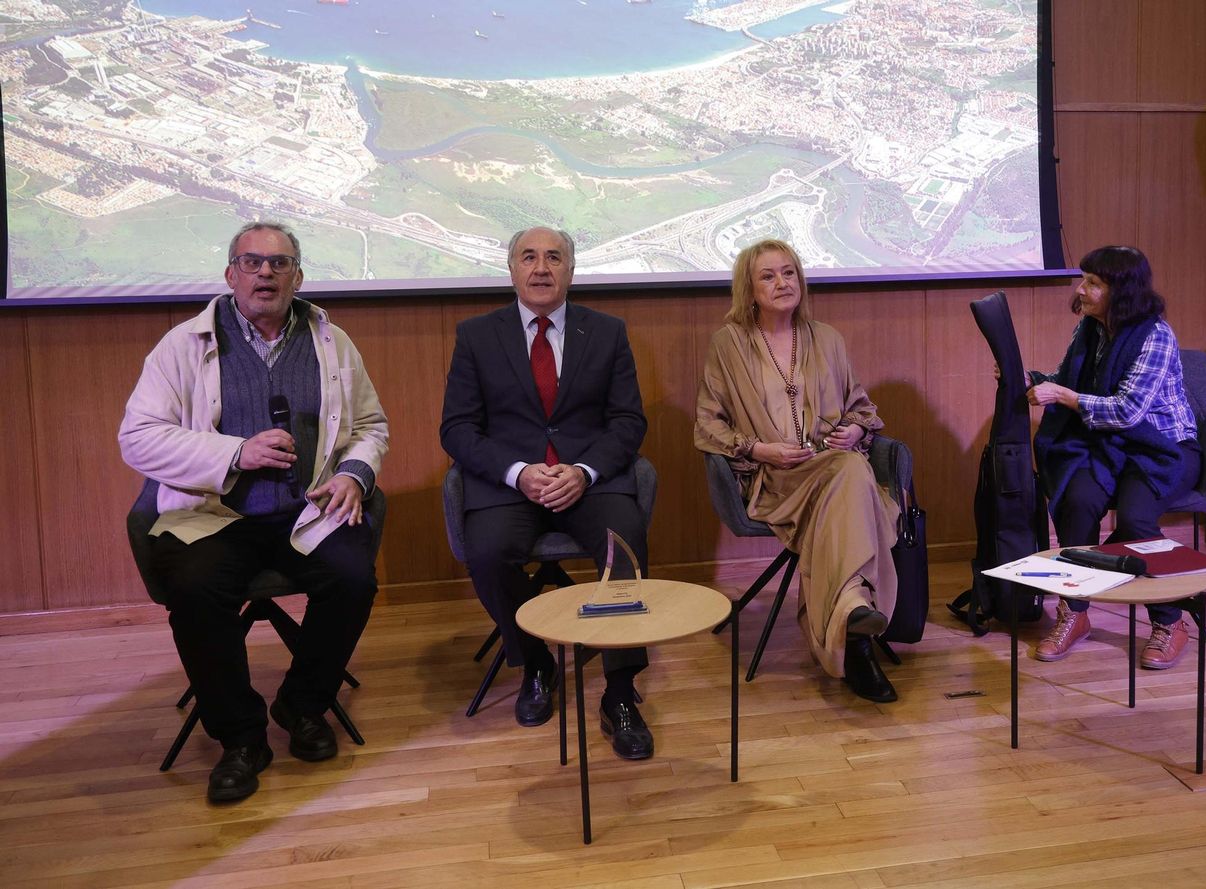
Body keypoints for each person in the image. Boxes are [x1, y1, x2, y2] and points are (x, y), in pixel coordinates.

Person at [119, 221, 389, 804]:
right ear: (231, 274)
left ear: (298, 275)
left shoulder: (332, 342)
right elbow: (137, 438)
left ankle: (303, 704)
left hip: (304, 513)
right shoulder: (181, 345)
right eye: (251, 262)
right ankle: (241, 738)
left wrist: (353, 473)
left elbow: (370, 427)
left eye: (279, 263)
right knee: (192, 589)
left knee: (353, 578)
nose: (265, 273)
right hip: (213, 516)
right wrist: (235, 452)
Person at [440, 226, 654, 760]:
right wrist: (517, 472)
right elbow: (458, 429)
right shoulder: (476, 335)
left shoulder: (606, 332)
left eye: (553, 257)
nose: (541, 268)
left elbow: (628, 421)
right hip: (510, 485)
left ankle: (621, 694)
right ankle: (534, 662)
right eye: (528, 257)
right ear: (511, 270)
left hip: (589, 482)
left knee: (622, 544)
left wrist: (583, 470)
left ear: (571, 270)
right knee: (487, 551)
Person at [694, 239, 901, 703]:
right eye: (768, 276)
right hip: (775, 480)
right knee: (853, 477)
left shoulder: (828, 337)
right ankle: (857, 640)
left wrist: (852, 431)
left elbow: (862, 410)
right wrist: (760, 449)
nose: (782, 283)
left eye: (789, 272)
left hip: (830, 468)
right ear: (748, 289)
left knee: (848, 467)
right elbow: (708, 425)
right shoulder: (728, 344)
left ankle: (853, 618)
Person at [1028, 245, 1202, 668]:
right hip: (1111, 444)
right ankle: (1075, 613)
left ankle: (1170, 621)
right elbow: (1067, 379)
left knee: (1135, 520)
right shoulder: (1090, 327)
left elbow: (1126, 411)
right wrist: (1032, 379)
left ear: (1120, 291)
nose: (1081, 289)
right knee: (1076, 500)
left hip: (1163, 447)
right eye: (1083, 279)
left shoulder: (1155, 335)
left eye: (1093, 283)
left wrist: (1063, 396)